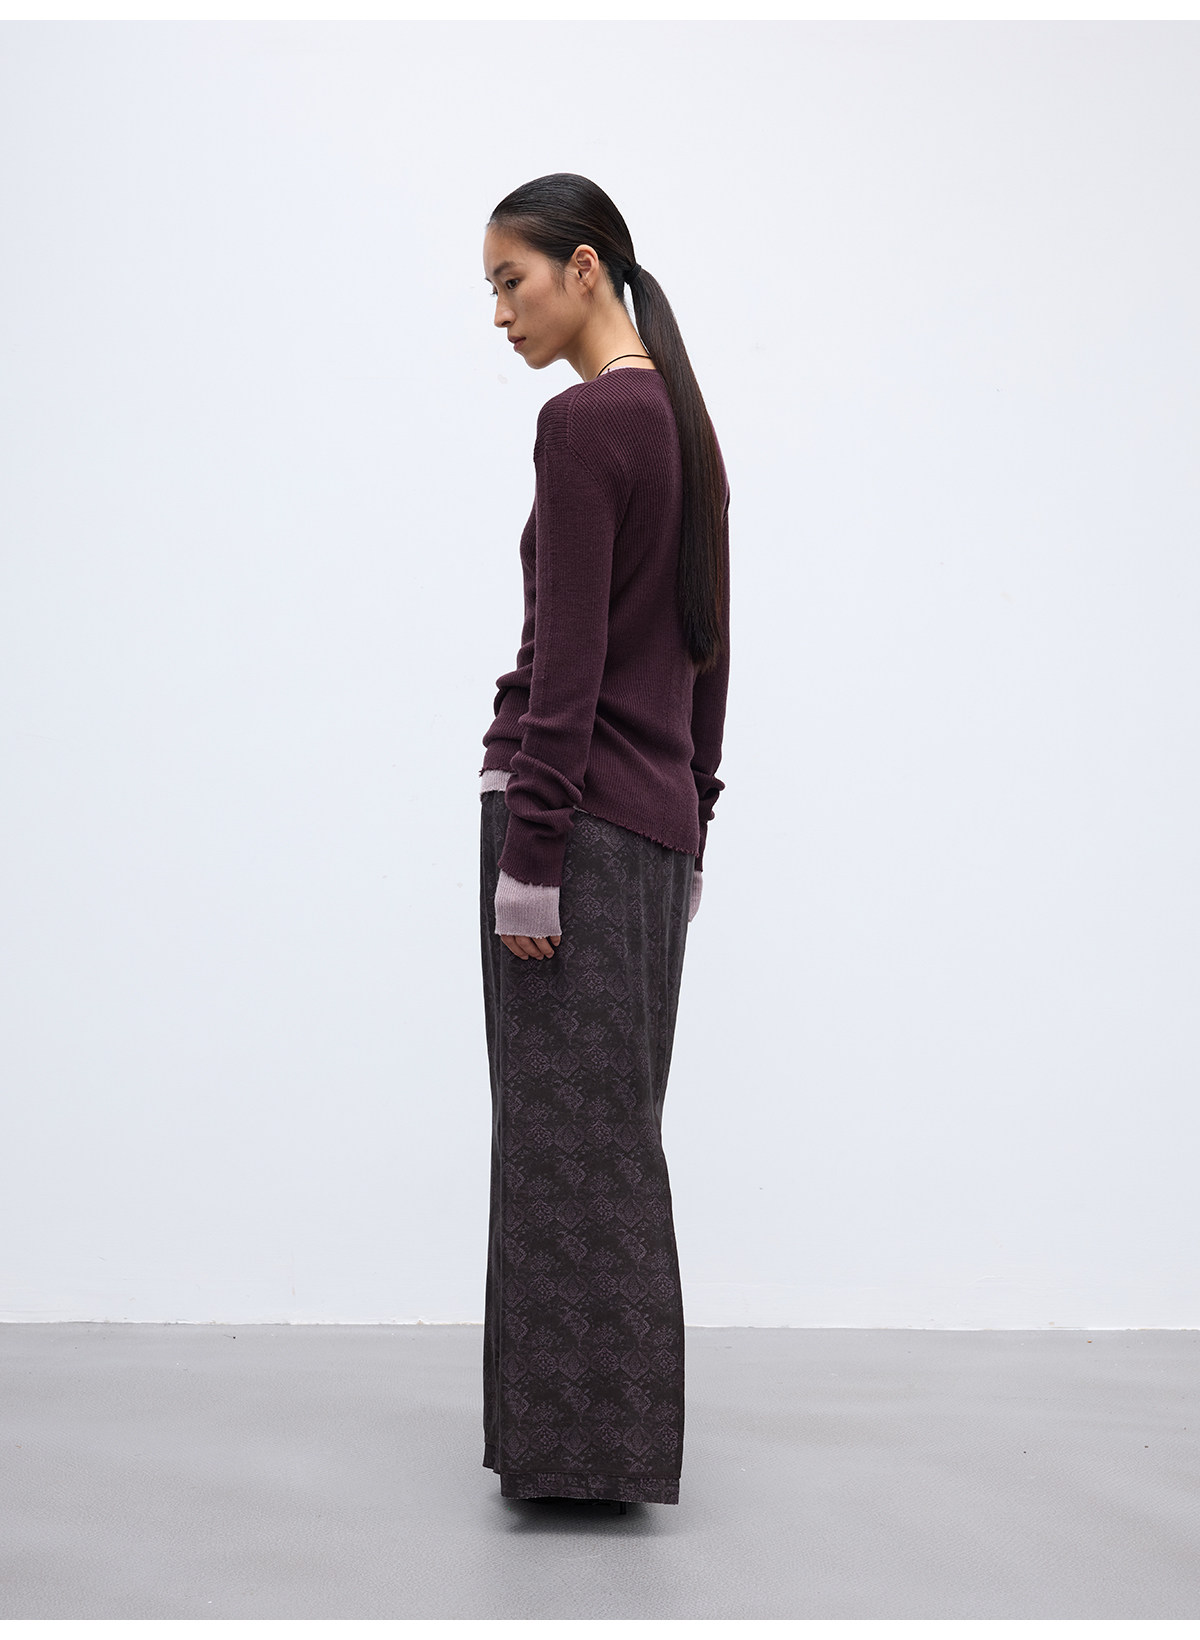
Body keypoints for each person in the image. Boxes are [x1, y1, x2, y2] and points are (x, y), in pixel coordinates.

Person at [477, 172, 731, 1510]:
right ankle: (601, 1450)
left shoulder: (584, 425)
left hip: (568, 825)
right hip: (650, 833)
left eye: (511, 281)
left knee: (556, 1144)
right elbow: (710, 649)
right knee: (613, 1141)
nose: (500, 314)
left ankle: (573, 1456)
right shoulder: (684, 421)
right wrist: (696, 821)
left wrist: (531, 853)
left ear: (585, 268)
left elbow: (565, 660)